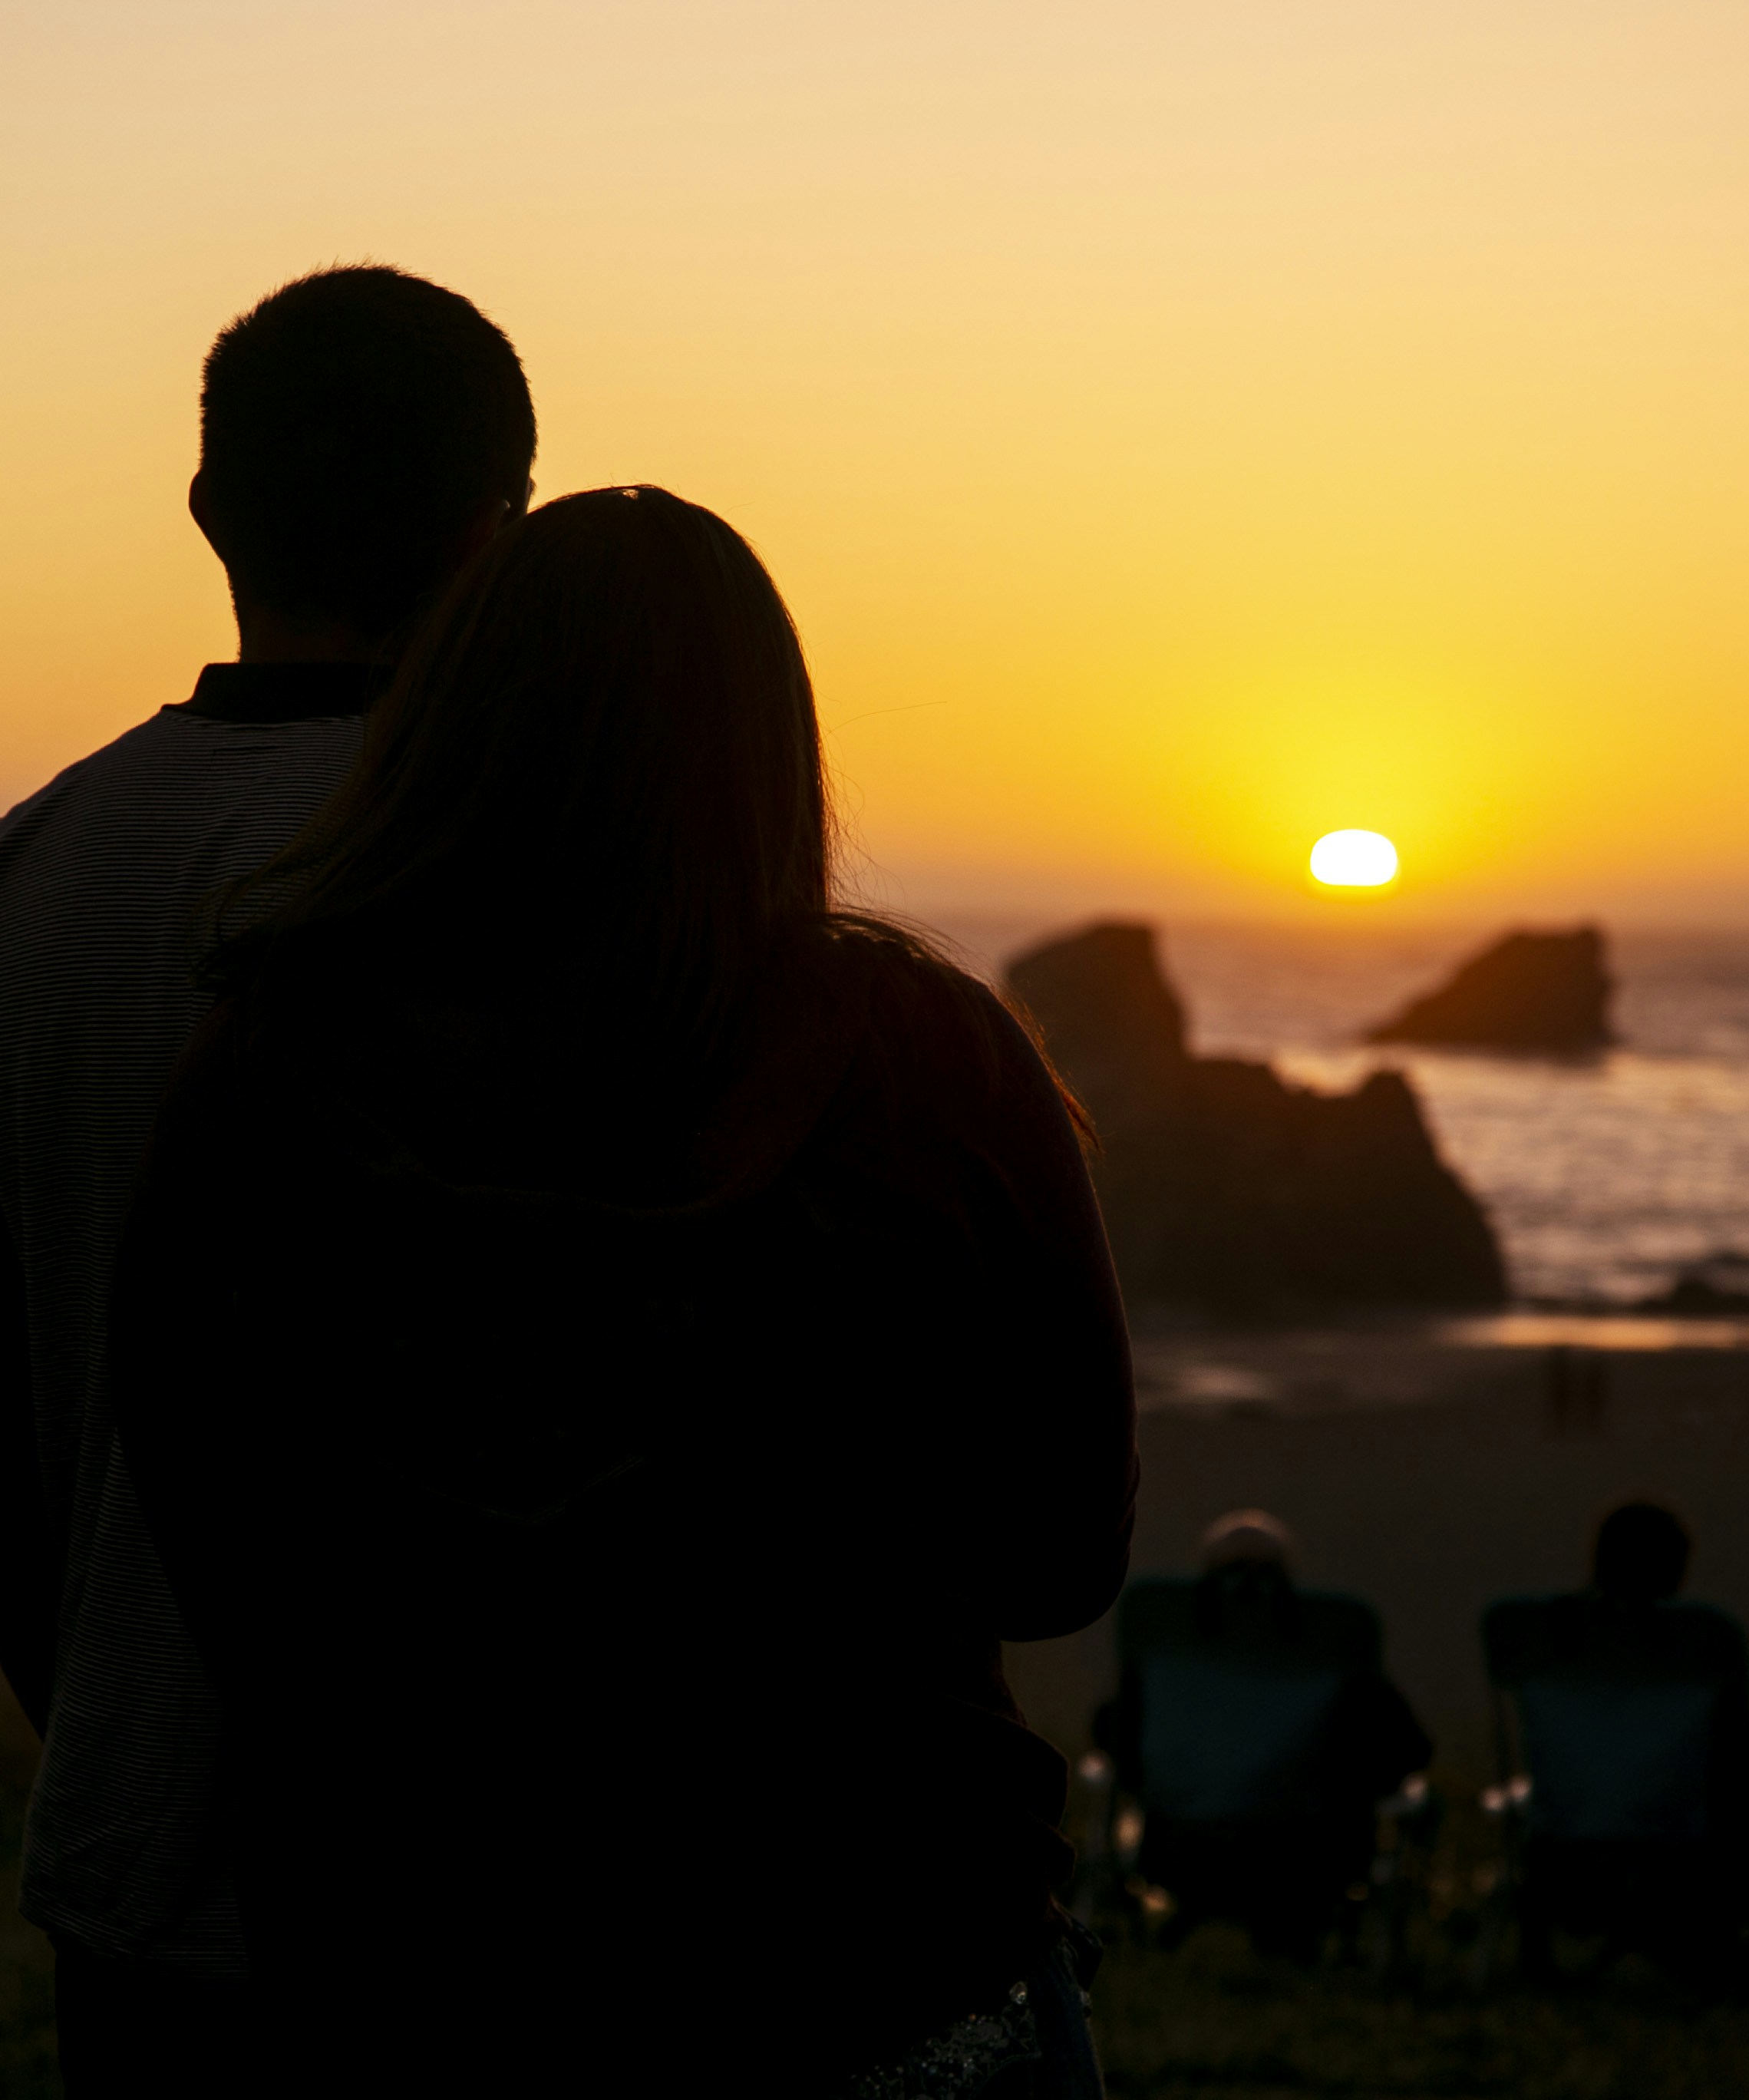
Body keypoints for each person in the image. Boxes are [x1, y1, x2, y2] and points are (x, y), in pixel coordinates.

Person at [104, 486, 1140, 2092]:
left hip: (423, 1969)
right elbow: (1064, 1554)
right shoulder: (930, 1058)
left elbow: (223, 1547)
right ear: (769, 747)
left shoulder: (269, 1073)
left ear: (452, 722)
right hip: (889, 1955)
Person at [0, 266, 534, 2091]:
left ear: (206, 511)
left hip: (133, 1876)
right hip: (497, 1880)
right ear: (502, 537)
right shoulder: (520, 868)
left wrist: (103, 1719)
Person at [1092, 1511, 1431, 1960]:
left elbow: (1112, 1739)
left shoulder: (1164, 1644)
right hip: (1307, 1860)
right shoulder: (1334, 1646)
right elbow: (1407, 1751)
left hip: (1178, 1854)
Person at [1478, 1501, 1749, 2002]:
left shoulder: (1545, 1637)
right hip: (1678, 1868)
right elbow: (1736, 1775)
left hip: (1563, 1864)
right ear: (1676, 1572)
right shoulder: (1700, 1646)